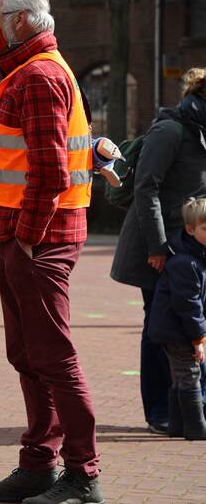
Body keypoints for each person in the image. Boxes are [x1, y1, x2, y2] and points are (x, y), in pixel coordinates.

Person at [0, 0, 103, 504]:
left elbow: (50, 171)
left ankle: (82, 474)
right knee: (31, 354)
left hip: (34, 239)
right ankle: (39, 464)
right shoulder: (34, 71)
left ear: (21, 21)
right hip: (23, 236)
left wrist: (26, 237)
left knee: (51, 356)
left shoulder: (36, 75)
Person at [109, 67, 206, 434]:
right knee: (161, 326)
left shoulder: (202, 131)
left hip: (194, 247)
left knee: (194, 322)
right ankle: (160, 410)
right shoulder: (171, 131)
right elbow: (145, 189)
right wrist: (158, 246)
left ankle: (190, 406)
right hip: (162, 247)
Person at [148, 197, 206, 440]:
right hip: (176, 331)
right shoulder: (186, 263)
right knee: (191, 373)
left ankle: (177, 426)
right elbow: (188, 306)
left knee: (181, 376)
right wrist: (198, 338)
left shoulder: (196, 258)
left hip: (176, 329)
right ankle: (196, 428)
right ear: (190, 229)